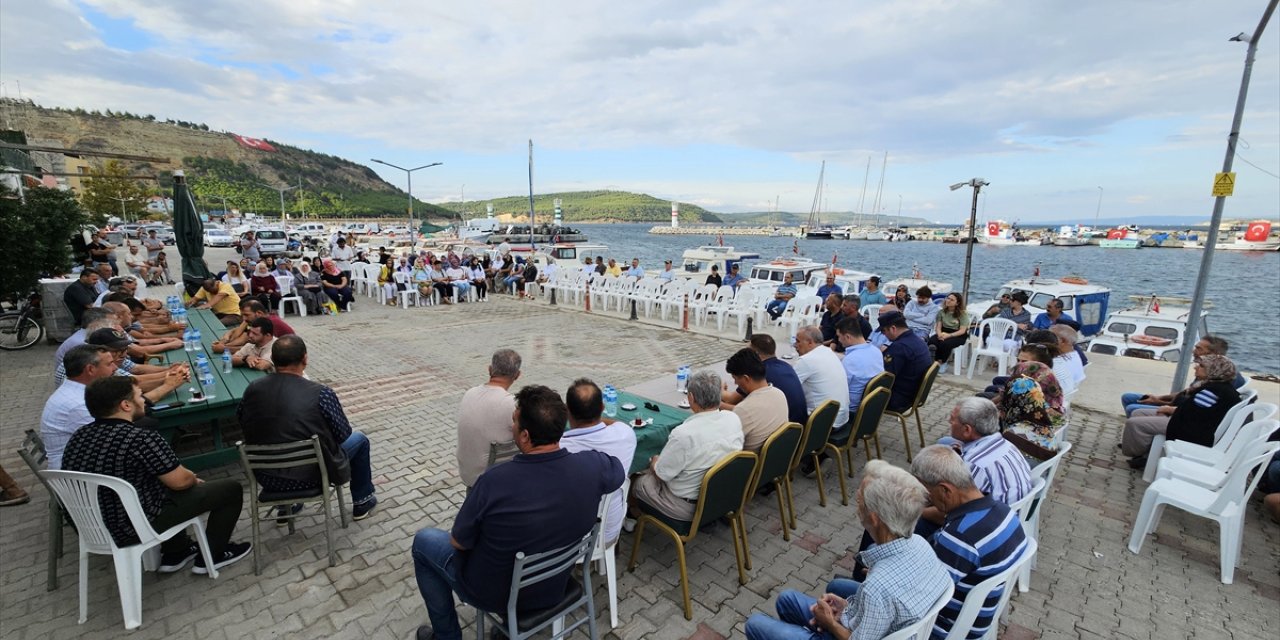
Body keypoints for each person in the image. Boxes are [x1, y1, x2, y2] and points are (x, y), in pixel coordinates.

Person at [412, 385, 624, 640]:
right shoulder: (593, 466)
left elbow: (458, 541)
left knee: (424, 542)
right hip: (556, 580)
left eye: (513, 421)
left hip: (494, 592)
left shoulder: (493, 481)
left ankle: (446, 636)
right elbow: (617, 470)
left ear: (524, 436)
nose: (510, 426)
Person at [744, 460, 951, 640]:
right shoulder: (919, 543)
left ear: (874, 518)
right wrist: (845, 607)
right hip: (877, 627)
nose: (856, 504)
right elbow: (883, 609)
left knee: (754, 623)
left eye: (860, 500)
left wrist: (831, 623)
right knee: (786, 598)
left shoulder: (876, 588)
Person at [63, 376, 252, 574]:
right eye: (139, 396)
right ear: (126, 405)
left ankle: (177, 552)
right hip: (131, 526)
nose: (144, 399)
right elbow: (180, 482)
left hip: (91, 527)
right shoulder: (139, 437)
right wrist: (190, 479)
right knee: (229, 489)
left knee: (162, 488)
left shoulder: (79, 437)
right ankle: (212, 556)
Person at [239, 335, 378, 521]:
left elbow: (242, 421)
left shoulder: (252, 390)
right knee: (360, 440)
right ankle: (362, 502)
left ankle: (285, 508)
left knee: (276, 440)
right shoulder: (321, 393)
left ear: (273, 359)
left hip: (268, 476)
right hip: (314, 473)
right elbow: (343, 434)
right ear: (305, 358)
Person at [907, 445, 1029, 639]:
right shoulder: (1004, 511)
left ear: (945, 490)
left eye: (927, 494)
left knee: (843, 590)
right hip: (978, 616)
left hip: (942, 628)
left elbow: (916, 599)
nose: (926, 500)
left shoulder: (959, 537)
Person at [632, 370, 743, 521]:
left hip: (689, 508)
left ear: (690, 398)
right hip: (725, 495)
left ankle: (633, 518)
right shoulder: (733, 419)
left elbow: (661, 474)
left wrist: (655, 461)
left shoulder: (684, 435)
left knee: (639, 481)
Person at [1121, 355, 1240, 469]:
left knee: (1134, 423)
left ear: (1214, 371)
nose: (1196, 367)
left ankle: (1138, 453)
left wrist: (1168, 411)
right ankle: (1147, 453)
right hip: (1186, 420)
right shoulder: (1214, 386)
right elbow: (1193, 410)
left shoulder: (1213, 391)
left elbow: (1193, 412)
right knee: (1138, 413)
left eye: (1202, 366)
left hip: (1191, 429)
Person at [561, 379, 637, 542]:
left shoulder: (560, 449)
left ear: (567, 411)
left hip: (571, 541)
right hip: (610, 530)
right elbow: (619, 424)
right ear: (602, 408)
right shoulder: (625, 434)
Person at [1120, 334, 1246, 416]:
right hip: (1182, 405)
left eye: (1199, 348)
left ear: (1214, 353)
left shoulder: (1220, 375)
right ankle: (1140, 435)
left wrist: (1159, 402)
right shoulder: (1208, 368)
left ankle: (1142, 444)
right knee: (1128, 397)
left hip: (1186, 413)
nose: (1194, 351)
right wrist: (1158, 397)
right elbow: (1187, 392)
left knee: (1134, 408)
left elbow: (1190, 406)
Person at [456, 350, 522, 489]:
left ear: (490, 369)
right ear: (517, 375)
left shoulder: (469, 393)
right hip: (490, 482)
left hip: (468, 475)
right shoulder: (511, 404)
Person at [722, 334, 809, 428]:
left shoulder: (760, 372)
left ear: (755, 355)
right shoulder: (785, 365)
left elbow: (732, 400)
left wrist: (718, 391)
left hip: (787, 428)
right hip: (796, 428)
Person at [725, 349, 789, 453]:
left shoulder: (744, 409)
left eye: (735, 378)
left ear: (746, 378)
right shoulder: (779, 394)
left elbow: (726, 444)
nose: (735, 382)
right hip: (778, 459)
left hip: (752, 467)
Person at [793, 326, 851, 430]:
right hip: (840, 418)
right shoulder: (829, 353)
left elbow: (787, 388)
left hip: (823, 424)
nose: (795, 345)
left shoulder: (806, 360)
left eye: (798, 341)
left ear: (810, 342)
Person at [880, 311, 932, 412]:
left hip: (898, 399)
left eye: (883, 331)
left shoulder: (900, 347)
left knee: (856, 392)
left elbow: (885, 376)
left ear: (893, 329)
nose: (884, 335)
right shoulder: (918, 341)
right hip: (912, 394)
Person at [836, 317, 884, 420]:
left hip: (851, 411)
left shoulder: (850, 360)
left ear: (848, 337)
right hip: (870, 407)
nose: (839, 340)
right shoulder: (875, 350)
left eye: (839, 337)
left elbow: (839, 389)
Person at [928, 292, 971, 374]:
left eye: (952, 300)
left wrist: (949, 335)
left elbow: (962, 330)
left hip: (958, 334)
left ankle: (942, 362)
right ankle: (934, 361)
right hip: (944, 331)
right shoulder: (942, 312)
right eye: (948, 298)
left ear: (957, 303)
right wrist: (939, 334)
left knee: (945, 344)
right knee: (932, 341)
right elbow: (938, 326)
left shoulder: (962, 314)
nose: (948, 301)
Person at [1048, 324, 1086, 396]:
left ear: (1062, 341)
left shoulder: (1057, 362)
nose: (1046, 340)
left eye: (1049, 337)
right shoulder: (1075, 355)